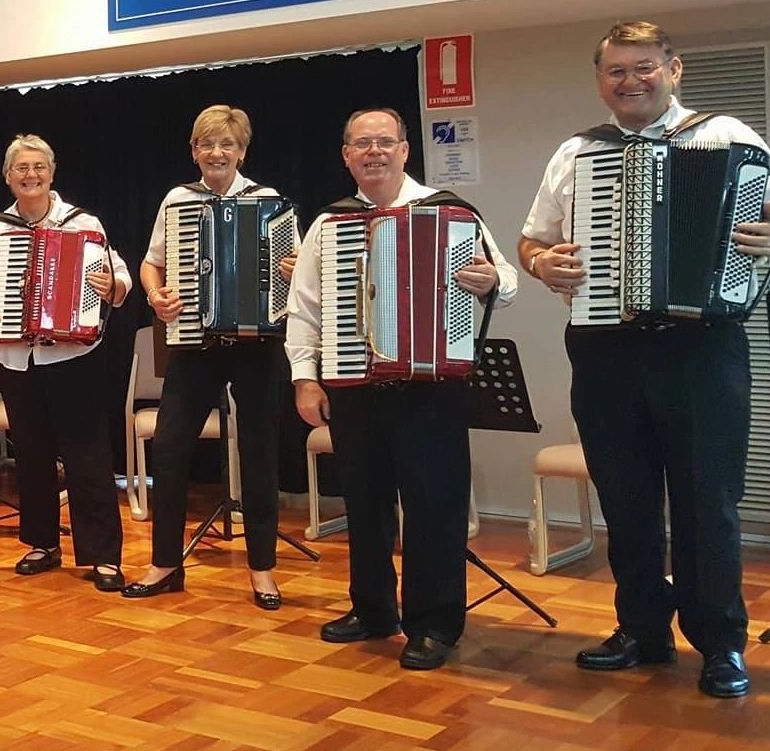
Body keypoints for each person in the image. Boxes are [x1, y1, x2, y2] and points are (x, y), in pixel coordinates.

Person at [516, 20, 770, 698]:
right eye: (616, 71)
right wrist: (545, 264)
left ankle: (720, 643)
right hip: (605, 348)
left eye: (643, 67)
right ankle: (642, 631)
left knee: (706, 500)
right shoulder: (577, 151)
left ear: (674, 68)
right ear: (601, 80)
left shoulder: (730, 138)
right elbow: (531, 239)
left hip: (702, 347)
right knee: (625, 497)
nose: (630, 81)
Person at [286, 108, 516, 670]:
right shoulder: (329, 224)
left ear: (404, 149)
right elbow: (304, 309)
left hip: (431, 388)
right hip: (356, 387)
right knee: (363, 504)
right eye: (361, 144)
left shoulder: (450, 212)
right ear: (345, 156)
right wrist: (305, 378)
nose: (373, 153)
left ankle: (435, 623)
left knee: (434, 507)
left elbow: (505, 279)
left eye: (383, 142)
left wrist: (491, 281)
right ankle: (372, 610)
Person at [127, 106, 289, 609]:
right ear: (193, 150)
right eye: (206, 144)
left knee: (259, 454)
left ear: (241, 150)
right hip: (194, 342)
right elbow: (151, 263)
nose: (216, 153)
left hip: (256, 344)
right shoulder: (178, 200)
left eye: (226, 145)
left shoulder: (269, 203)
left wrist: (288, 271)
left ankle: (262, 570)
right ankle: (165, 564)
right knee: (171, 448)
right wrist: (156, 297)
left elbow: (294, 270)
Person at [0, 134, 133, 591]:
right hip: (17, 357)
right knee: (32, 455)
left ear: (52, 173)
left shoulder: (82, 223)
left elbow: (121, 277)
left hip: (74, 355)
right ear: (8, 177)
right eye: (22, 168)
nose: (31, 175)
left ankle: (103, 555)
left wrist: (109, 287)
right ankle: (42, 543)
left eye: (38, 167)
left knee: (87, 455)